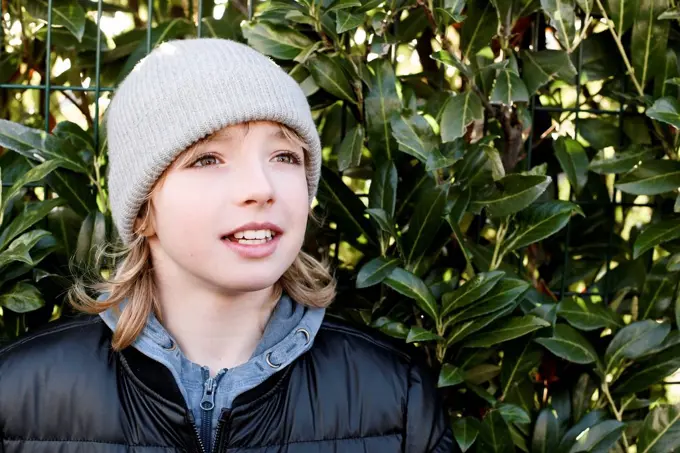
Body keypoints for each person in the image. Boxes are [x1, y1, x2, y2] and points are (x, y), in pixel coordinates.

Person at [0, 38, 453, 453]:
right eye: (208, 158)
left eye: (284, 157)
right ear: (143, 210)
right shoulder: (17, 393)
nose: (261, 187)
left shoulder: (398, 395)